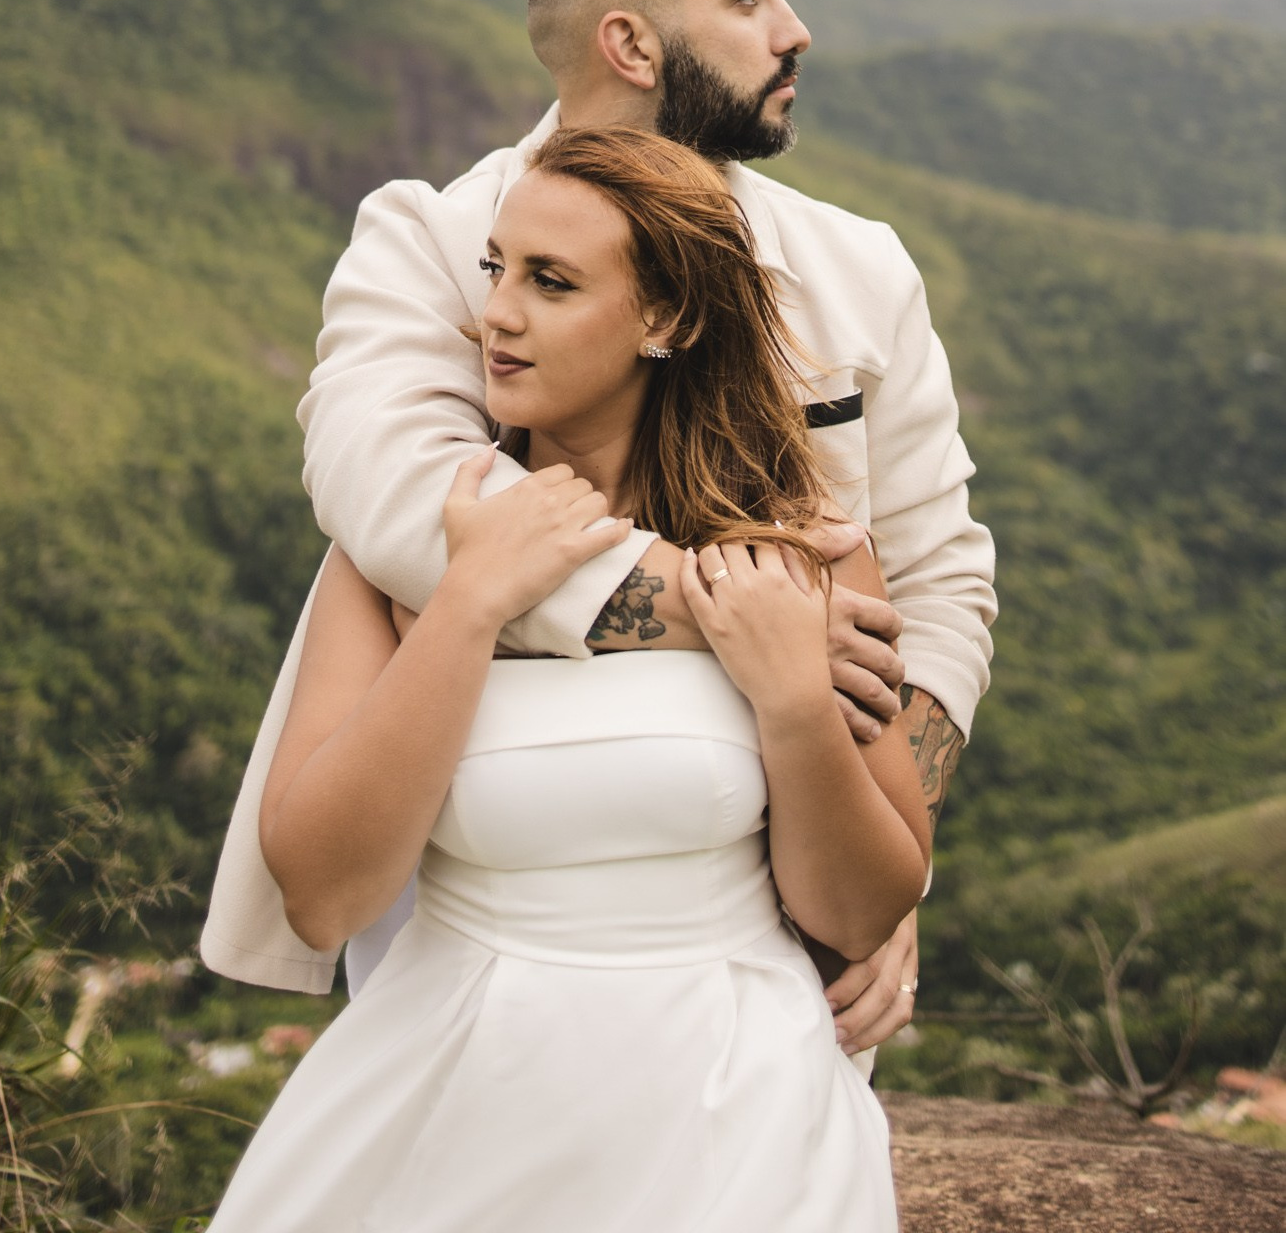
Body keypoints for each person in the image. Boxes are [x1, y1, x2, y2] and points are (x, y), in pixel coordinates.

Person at [202, 0, 997, 1061]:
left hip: (763, 933)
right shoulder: (429, 237)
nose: (794, 31)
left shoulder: (860, 269)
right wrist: (732, 607)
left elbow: (938, 583)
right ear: (630, 42)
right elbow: (400, 494)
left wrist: (886, 866)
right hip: (464, 921)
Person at [208, 128, 931, 1233]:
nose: (495, 311)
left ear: (668, 318)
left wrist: (792, 703)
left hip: (733, 1109)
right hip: (448, 1092)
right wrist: (465, 605)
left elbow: (863, 904)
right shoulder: (405, 548)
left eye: (550, 281)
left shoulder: (803, 549)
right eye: (496, 267)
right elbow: (323, 894)